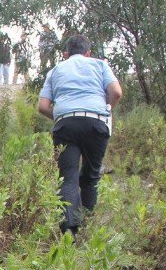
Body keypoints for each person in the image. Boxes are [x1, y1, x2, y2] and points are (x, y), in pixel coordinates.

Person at [37, 34, 123, 235]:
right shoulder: (100, 65)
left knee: (67, 178)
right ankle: (88, 225)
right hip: (96, 122)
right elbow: (116, 92)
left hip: (65, 125)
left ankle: (69, 231)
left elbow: (42, 106)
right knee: (91, 176)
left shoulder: (56, 70)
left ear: (65, 54)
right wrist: (107, 109)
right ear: (88, 53)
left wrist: (62, 116)